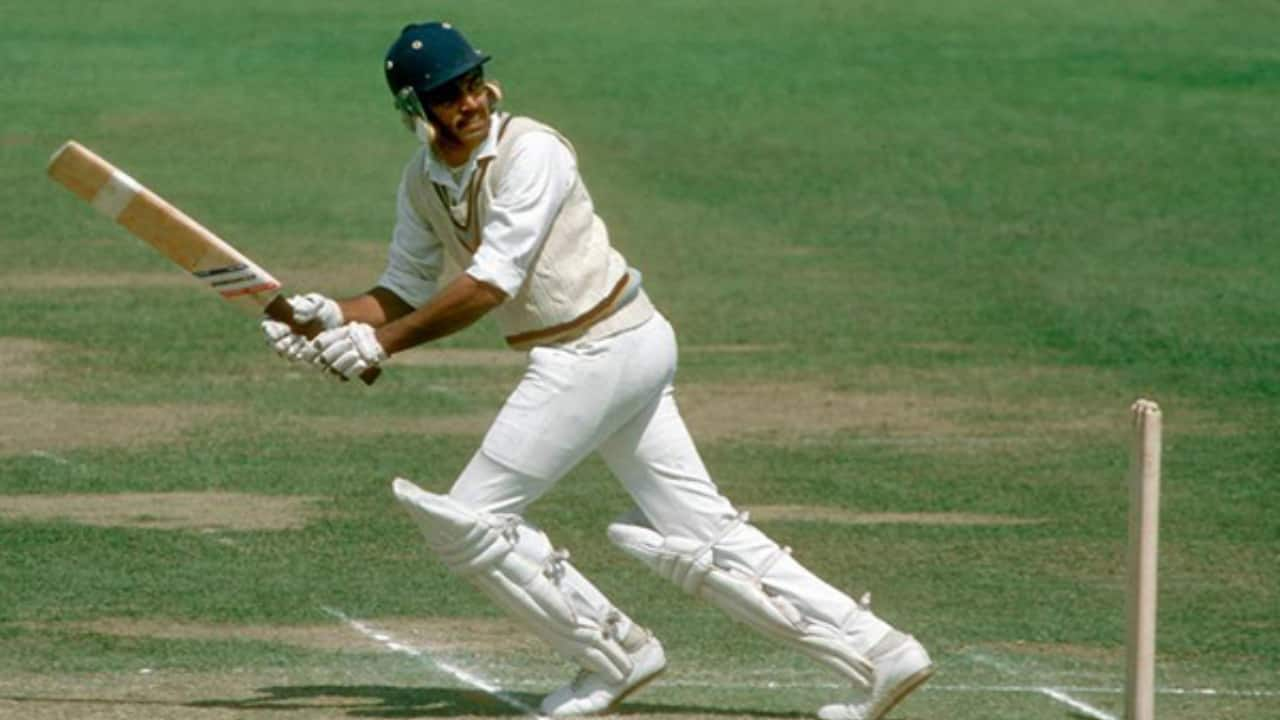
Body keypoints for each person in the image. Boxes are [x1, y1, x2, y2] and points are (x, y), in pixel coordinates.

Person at [261, 21, 933, 720]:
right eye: (447, 94)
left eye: (471, 83)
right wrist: (330, 317)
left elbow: (491, 283)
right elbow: (400, 287)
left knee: (469, 519)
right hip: (608, 351)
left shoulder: (533, 151)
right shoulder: (422, 181)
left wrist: (382, 346)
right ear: (414, 109)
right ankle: (882, 653)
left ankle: (615, 654)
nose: (468, 101)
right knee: (703, 533)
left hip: (599, 350)